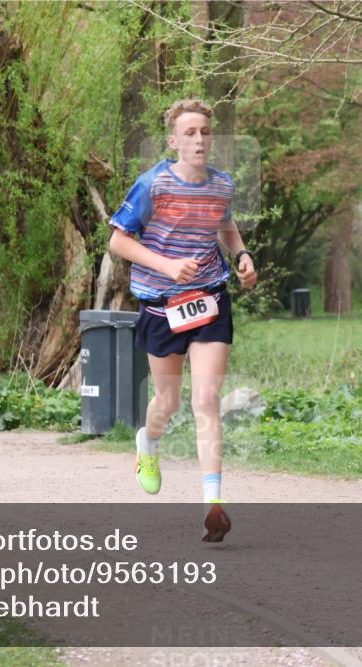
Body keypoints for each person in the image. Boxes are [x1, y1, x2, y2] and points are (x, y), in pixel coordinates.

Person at [108, 99, 258, 542]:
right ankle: (147, 443)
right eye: (189, 133)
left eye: (205, 132)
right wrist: (167, 266)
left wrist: (243, 255)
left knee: (207, 400)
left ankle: (213, 503)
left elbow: (224, 225)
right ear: (173, 141)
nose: (199, 140)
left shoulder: (222, 185)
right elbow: (119, 241)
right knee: (168, 402)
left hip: (210, 299)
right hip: (162, 305)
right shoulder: (152, 184)